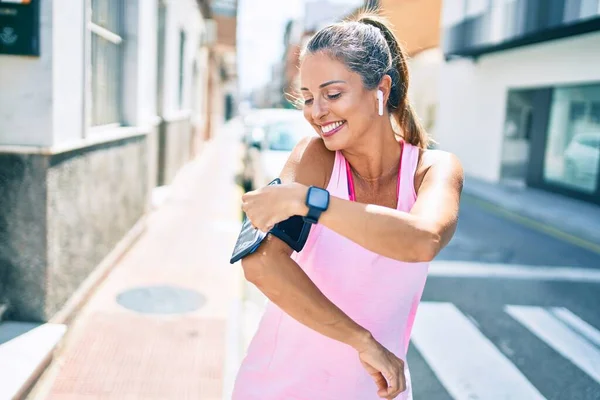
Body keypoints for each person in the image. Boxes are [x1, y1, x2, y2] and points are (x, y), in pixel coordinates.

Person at [234, 10, 463, 400]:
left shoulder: (433, 169)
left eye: (333, 94)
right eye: (307, 98)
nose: (316, 112)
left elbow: (422, 240)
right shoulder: (315, 158)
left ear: (381, 89)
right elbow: (260, 263)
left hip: (376, 391)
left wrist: (307, 202)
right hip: (280, 388)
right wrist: (362, 341)